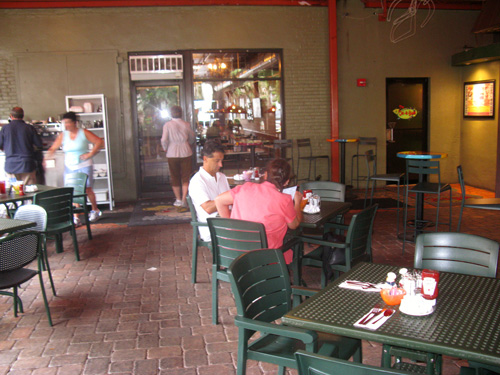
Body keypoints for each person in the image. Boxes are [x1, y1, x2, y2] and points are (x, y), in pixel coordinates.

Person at [215, 158, 303, 264]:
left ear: (265, 175)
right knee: (292, 246)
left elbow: (218, 200)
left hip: (236, 252)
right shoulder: (284, 199)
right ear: (286, 182)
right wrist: (297, 202)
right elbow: (294, 225)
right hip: (267, 256)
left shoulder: (245, 188)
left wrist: (231, 225)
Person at [46, 111, 104, 224]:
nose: (66, 125)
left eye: (68, 123)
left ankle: (95, 210)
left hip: (84, 165)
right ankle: (76, 217)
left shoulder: (84, 132)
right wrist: (48, 156)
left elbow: (99, 141)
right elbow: (53, 147)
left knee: (87, 189)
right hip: (69, 166)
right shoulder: (63, 135)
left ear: (75, 123)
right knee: (73, 191)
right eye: (64, 123)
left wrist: (90, 154)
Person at [188, 140, 230, 242]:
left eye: (221, 160)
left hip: (227, 223)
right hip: (211, 228)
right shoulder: (197, 181)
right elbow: (208, 208)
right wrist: (235, 197)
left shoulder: (222, 177)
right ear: (205, 159)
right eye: (217, 161)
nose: (221, 165)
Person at [160, 106, 196, 207]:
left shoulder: (167, 125)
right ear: (181, 113)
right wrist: (189, 143)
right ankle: (184, 198)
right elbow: (192, 137)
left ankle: (178, 199)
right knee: (185, 176)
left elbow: (164, 140)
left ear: (171, 113)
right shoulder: (186, 124)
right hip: (186, 151)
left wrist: (165, 148)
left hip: (172, 152)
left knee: (174, 176)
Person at [0, 107, 42, 185]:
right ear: (23, 116)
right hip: (27, 165)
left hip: (11, 166)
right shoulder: (29, 128)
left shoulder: (5, 128)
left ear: (11, 116)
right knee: (30, 191)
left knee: (14, 193)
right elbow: (39, 144)